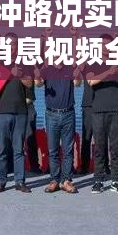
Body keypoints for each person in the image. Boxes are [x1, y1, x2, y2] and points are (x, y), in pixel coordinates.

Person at [0, 33, 34, 193]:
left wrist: (20, 74)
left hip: (20, 112)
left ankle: (19, 181)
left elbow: (30, 83)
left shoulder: (24, 61)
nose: (11, 47)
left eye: (14, 44)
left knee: (18, 149)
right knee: (2, 149)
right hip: (1, 111)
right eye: (8, 44)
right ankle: (0, 181)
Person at [86, 34, 118, 195]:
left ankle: (115, 181)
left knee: (115, 146)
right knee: (99, 147)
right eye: (102, 44)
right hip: (98, 110)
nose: (105, 47)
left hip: (116, 109)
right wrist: (109, 72)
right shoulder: (93, 62)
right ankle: (98, 180)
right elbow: (91, 81)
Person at [35, 63, 81, 194]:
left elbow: (78, 84)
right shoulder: (46, 68)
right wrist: (37, 76)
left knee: (68, 150)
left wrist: (77, 73)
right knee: (52, 149)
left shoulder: (71, 67)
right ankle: (54, 180)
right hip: (51, 114)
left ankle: (66, 181)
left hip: (68, 113)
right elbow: (38, 84)